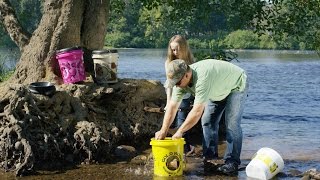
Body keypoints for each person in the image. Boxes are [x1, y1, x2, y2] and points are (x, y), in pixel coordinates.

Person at [155, 59, 248, 175]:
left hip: (236, 85)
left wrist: (180, 132)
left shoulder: (202, 78)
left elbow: (197, 111)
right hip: (217, 90)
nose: (176, 86)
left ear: (187, 75)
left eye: (177, 83)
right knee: (207, 121)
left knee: (232, 124)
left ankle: (232, 162)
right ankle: (210, 158)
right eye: (174, 83)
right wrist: (163, 130)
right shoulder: (180, 85)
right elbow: (172, 107)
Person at [164, 35, 195, 156]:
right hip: (174, 96)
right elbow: (169, 84)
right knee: (170, 123)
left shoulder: (191, 61)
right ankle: (175, 149)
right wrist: (168, 102)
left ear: (184, 48)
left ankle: (186, 151)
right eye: (172, 49)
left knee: (182, 122)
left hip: (186, 96)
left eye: (177, 49)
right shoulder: (168, 62)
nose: (175, 52)